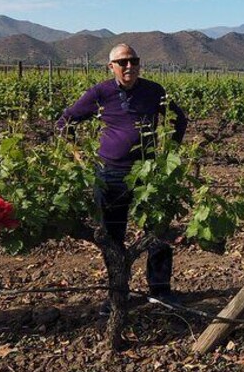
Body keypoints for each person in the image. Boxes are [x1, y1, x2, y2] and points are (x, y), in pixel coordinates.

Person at [58, 44, 188, 311]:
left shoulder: (153, 91)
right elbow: (65, 122)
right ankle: (118, 294)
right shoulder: (100, 93)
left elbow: (179, 119)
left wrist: (169, 153)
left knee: (157, 231)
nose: (129, 66)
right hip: (110, 174)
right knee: (112, 236)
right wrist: (78, 157)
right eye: (123, 62)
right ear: (111, 66)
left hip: (148, 173)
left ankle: (160, 291)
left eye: (134, 60)